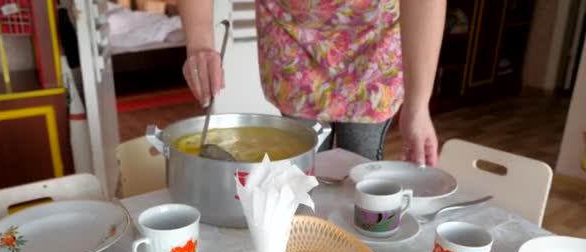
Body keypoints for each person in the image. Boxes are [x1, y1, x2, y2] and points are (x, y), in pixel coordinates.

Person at [178, 0, 445, 166]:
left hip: (374, 50)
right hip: (290, 43)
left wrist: (418, 104)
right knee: (301, 169)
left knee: (362, 169)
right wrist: (200, 41)